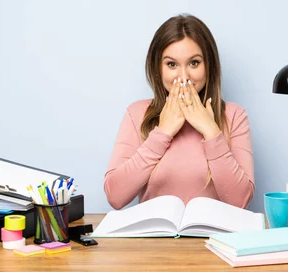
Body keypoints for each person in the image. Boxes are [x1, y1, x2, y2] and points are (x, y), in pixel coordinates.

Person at [104, 14, 254, 210]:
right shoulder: (136, 113)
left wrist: (211, 131)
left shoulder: (235, 116)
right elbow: (115, 196)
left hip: (215, 239)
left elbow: (240, 201)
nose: (183, 77)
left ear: (209, 66)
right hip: (155, 238)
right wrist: (162, 133)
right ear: (158, 68)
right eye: (172, 64)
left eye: (194, 63)